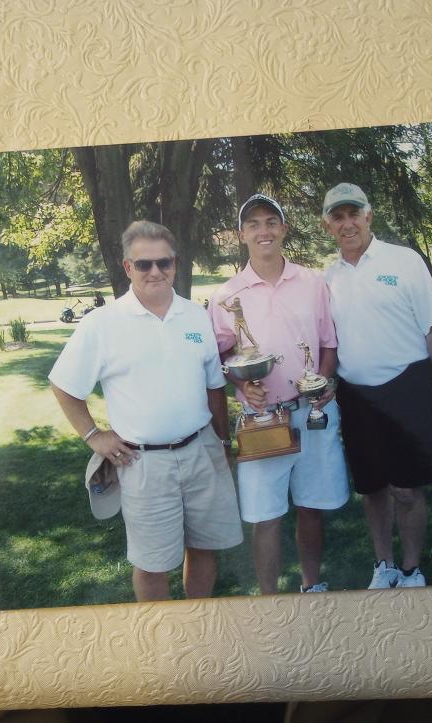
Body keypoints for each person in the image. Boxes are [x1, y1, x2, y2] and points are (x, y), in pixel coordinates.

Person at [48, 220, 242, 602]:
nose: (155, 272)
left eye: (164, 263)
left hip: (202, 451)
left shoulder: (195, 317)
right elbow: (64, 385)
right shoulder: (101, 324)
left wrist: (223, 440)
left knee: (204, 548)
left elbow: (213, 387)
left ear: (175, 264)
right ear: (127, 268)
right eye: (144, 265)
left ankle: (195, 624)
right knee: (153, 564)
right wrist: (94, 435)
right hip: (143, 464)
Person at [209, 194, 349, 595]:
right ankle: (270, 600)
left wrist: (324, 384)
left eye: (271, 222)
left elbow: (328, 342)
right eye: (253, 224)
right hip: (261, 419)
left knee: (311, 507)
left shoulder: (312, 283)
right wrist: (240, 386)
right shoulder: (225, 296)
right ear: (241, 235)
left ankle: (312, 585)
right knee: (264, 516)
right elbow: (220, 354)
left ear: (284, 229)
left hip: (313, 413)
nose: (263, 231)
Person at [322, 182, 432, 589]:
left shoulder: (404, 260)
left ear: (368, 216)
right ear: (327, 225)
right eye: (338, 216)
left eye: (354, 214)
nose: (347, 224)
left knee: (405, 488)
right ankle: (383, 566)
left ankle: (412, 568)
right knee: (372, 488)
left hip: (407, 388)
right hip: (355, 395)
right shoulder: (328, 277)